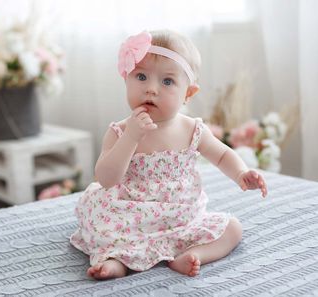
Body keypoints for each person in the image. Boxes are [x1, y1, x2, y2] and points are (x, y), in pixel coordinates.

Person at [70, 30, 268, 280]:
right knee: (109, 231)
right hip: (132, 216)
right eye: (141, 76)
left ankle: (192, 255)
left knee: (232, 229)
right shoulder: (120, 132)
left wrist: (241, 172)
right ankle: (115, 261)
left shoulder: (192, 129)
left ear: (188, 93)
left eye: (167, 81)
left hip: (181, 217)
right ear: (126, 80)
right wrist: (131, 137)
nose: (151, 89)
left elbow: (222, 155)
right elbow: (106, 178)